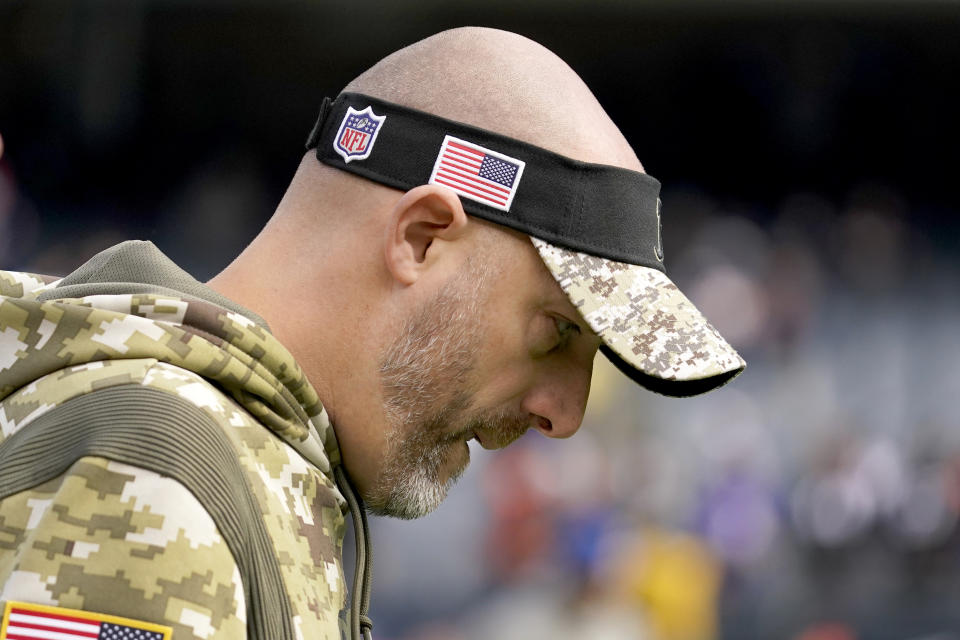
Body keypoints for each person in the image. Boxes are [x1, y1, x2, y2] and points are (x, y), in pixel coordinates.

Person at [0, 27, 744, 640]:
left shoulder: (244, 462)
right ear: (421, 238)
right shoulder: (159, 470)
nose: (565, 414)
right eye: (554, 333)